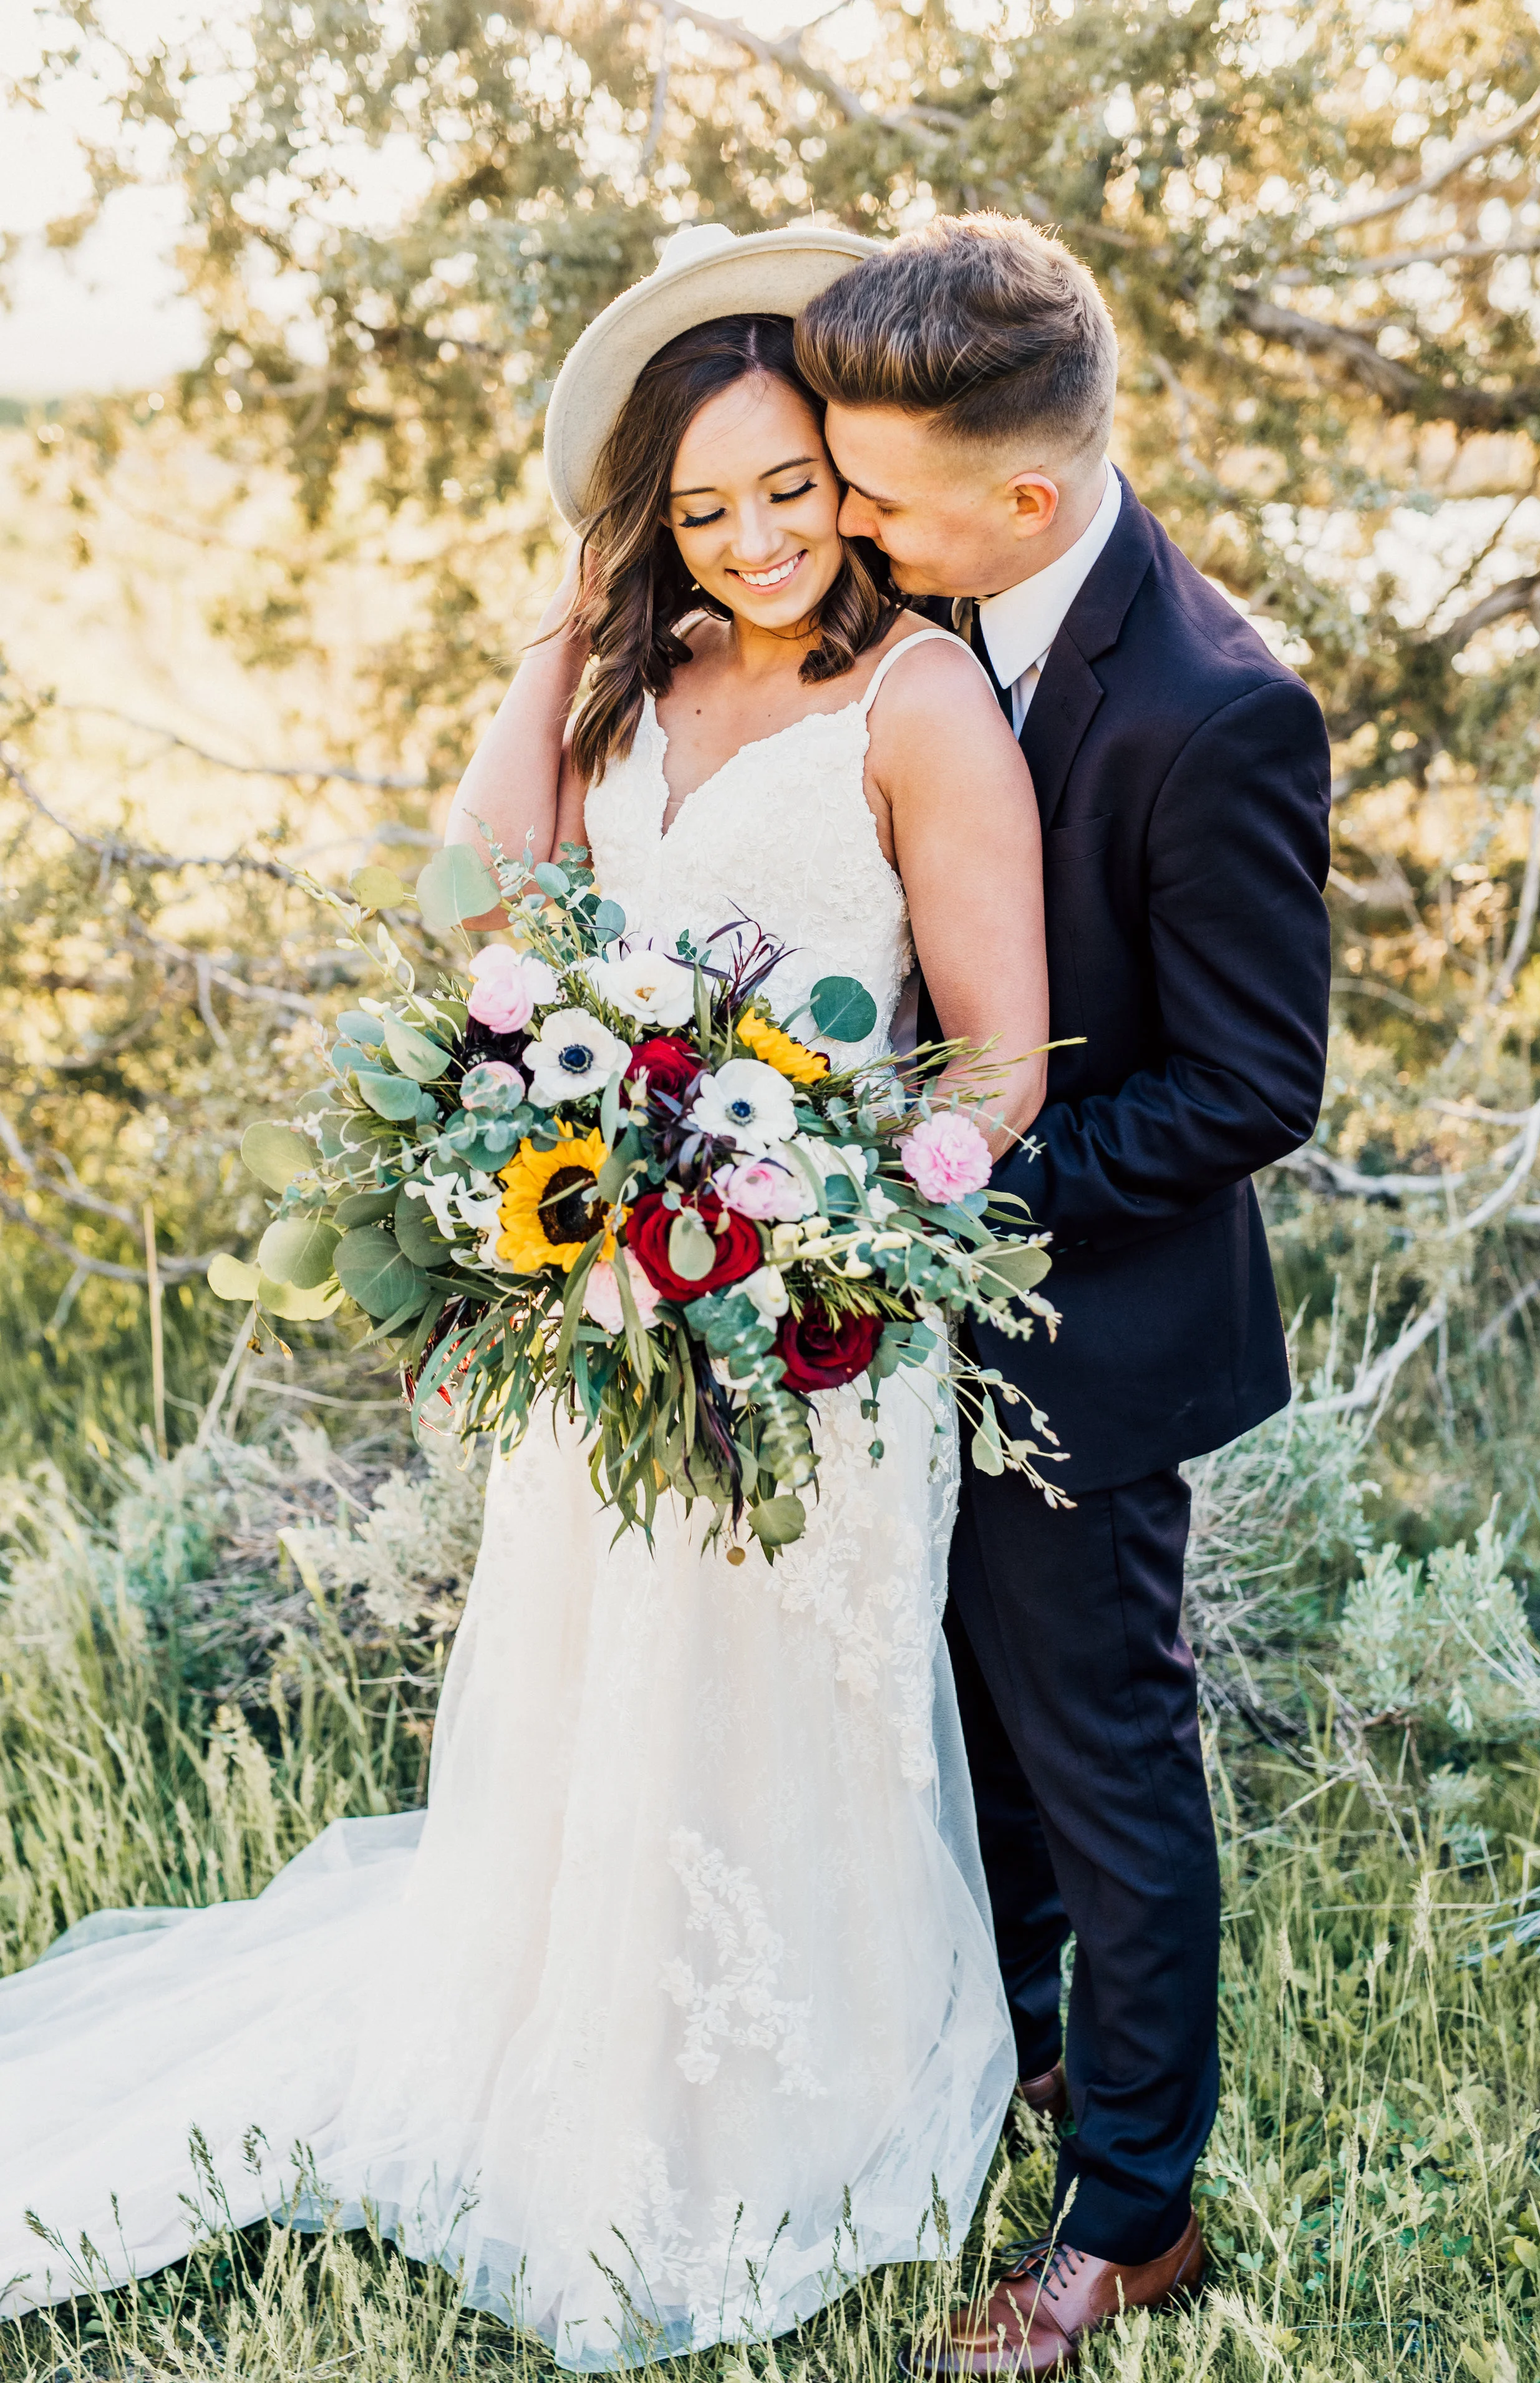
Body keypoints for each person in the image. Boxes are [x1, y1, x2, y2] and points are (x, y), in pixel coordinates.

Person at [0, 225, 1050, 2369]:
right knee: (606, 1687)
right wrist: (580, 616)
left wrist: (832, 1213)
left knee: (791, 1714)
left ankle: (790, 2097)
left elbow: (1000, 1061)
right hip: (611, 1302)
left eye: (789, 488)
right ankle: (580, 2055)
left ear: (850, 478)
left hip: (821, 1321)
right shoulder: (634, 678)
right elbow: (482, 907)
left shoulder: (921, 700)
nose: (754, 540)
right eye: (700, 507)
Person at [795, 214, 1334, 2372]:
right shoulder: (923, 615)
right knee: (970, 1733)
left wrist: (942, 1214)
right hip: (881, 1328)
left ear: (1021, 499)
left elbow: (1247, 1085)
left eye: (873, 493)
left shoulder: (1215, 709)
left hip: (1081, 1347)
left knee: (1106, 1770)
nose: (844, 525)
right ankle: (1014, 2051)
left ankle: (1128, 2211)